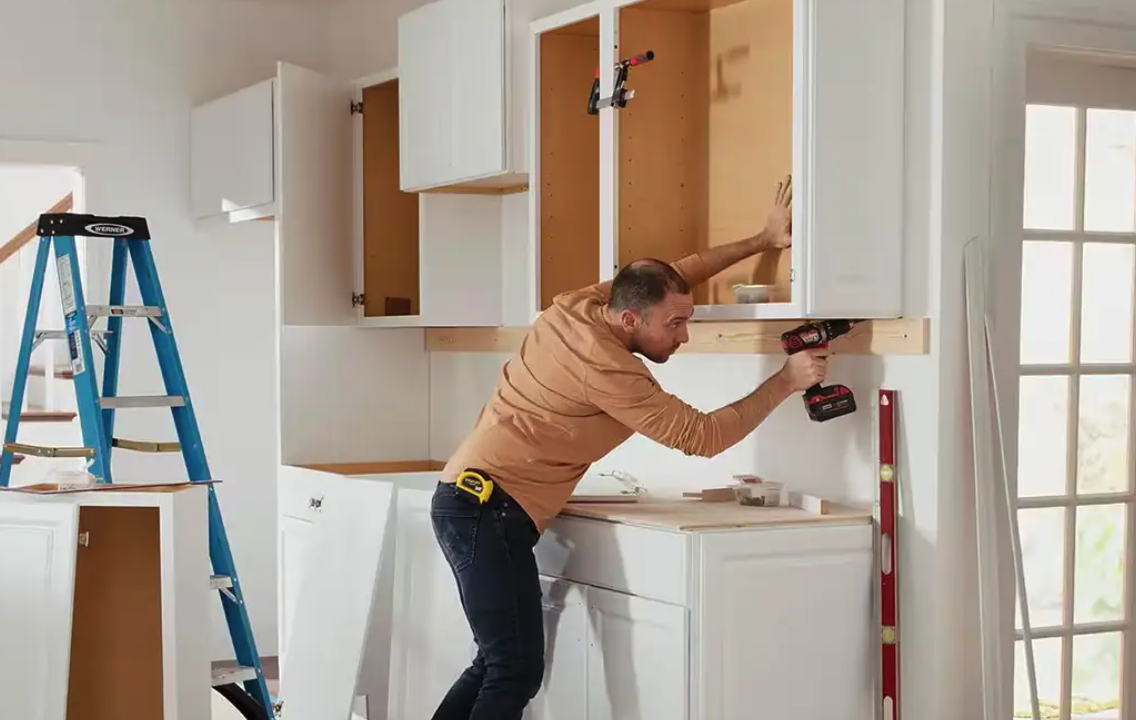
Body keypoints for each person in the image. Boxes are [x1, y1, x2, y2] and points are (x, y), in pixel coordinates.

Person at [428, 175, 828, 720]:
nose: (684, 336)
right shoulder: (607, 368)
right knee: (512, 669)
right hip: (486, 510)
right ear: (630, 321)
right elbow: (702, 436)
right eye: (676, 324)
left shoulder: (578, 306)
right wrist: (785, 381)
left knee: (495, 663)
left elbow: (674, 274)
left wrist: (763, 240)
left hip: (471, 501)